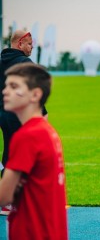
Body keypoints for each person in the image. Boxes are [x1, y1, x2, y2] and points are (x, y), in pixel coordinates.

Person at [0, 63, 67, 239]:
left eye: (14, 86)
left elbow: (3, 196)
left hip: (32, 232)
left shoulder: (27, 136)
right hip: (49, 230)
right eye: (6, 85)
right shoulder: (47, 131)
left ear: (35, 94)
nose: (5, 91)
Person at [0, 30, 48, 216]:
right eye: (29, 44)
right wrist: (42, 114)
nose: (31, 48)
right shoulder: (25, 63)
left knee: (11, 152)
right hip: (17, 115)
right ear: (20, 43)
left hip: (3, 114)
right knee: (20, 155)